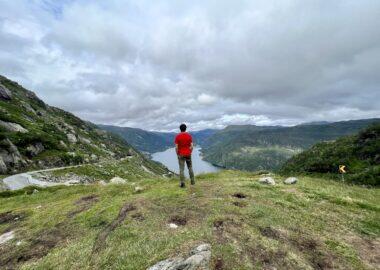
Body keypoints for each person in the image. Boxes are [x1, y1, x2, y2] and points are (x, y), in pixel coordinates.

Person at [174, 123, 195, 188]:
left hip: (181, 154)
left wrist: (177, 154)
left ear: (180, 129)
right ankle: (192, 182)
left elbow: (176, 147)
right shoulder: (189, 136)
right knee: (190, 167)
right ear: (185, 128)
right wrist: (190, 152)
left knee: (181, 169)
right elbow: (191, 146)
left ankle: (182, 183)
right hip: (188, 154)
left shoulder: (177, 136)